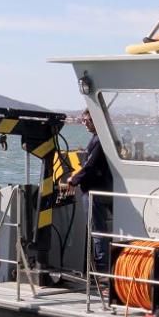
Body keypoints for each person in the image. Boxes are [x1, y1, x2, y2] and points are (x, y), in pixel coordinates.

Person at [67, 111, 113, 274]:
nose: (84, 123)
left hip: (96, 192)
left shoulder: (99, 140)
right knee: (104, 230)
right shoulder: (105, 138)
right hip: (107, 189)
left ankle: (101, 272)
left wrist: (73, 180)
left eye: (87, 120)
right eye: (83, 120)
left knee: (97, 231)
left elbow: (90, 166)